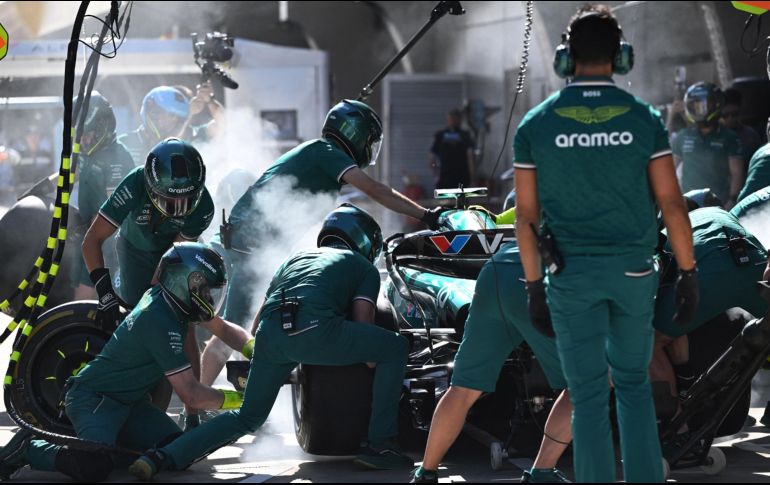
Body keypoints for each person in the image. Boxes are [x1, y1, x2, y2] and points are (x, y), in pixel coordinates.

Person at [514, 4, 697, 482]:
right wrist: (690, 270)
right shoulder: (644, 119)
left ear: (564, 58)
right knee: (634, 384)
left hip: (570, 277)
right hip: (634, 272)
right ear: (621, 58)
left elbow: (527, 218)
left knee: (588, 393)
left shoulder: (535, 124)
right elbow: (673, 206)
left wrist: (534, 285)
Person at [129, 205, 413, 479]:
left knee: (248, 418)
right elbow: (365, 330)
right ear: (365, 243)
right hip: (316, 330)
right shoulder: (363, 267)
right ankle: (381, 443)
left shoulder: (296, 259)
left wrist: (264, 359)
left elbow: (257, 323)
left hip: (269, 335)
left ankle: (162, 456)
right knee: (395, 348)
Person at [198, 100, 444, 396]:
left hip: (256, 244)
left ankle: (245, 393)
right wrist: (429, 215)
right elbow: (376, 190)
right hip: (250, 243)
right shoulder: (326, 153)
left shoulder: (321, 155)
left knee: (252, 323)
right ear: (354, 135)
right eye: (369, 141)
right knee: (231, 327)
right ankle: (198, 401)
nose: (370, 150)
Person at [0, 243, 253, 482]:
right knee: (94, 467)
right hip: (96, 399)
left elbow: (224, 328)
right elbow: (192, 395)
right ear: (185, 282)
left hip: (131, 404)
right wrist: (243, 398)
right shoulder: (159, 320)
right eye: (207, 290)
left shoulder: (171, 301)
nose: (210, 299)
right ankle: (30, 448)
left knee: (176, 450)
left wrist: (254, 348)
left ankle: (99, 442)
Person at [411, 239, 571, 484]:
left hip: (496, 270)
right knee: (584, 386)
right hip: (536, 275)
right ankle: (543, 472)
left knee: (463, 388)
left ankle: (426, 472)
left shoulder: (549, 204)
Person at [81, 137, 214, 326]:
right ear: (150, 187)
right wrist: (105, 291)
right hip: (133, 249)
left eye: (187, 200)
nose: (178, 209)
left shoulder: (205, 207)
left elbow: (172, 257)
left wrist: (154, 294)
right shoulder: (135, 182)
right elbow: (92, 240)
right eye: (170, 200)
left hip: (171, 251)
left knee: (179, 319)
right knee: (135, 318)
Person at [650, 206, 768, 403]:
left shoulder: (665, 231)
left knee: (649, 343)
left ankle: (676, 425)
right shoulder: (719, 213)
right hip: (754, 264)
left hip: (710, 275)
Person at [70, 92, 136, 300]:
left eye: (87, 134)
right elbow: (72, 174)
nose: (83, 140)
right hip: (90, 236)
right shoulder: (86, 155)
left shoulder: (117, 157)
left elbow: (116, 209)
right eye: (80, 135)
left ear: (103, 126)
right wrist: (43, 187)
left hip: (109, 243)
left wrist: (89, 225)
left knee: (89, 300)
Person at [672, 82, 744, 208]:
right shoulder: (682, 136)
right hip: (689, 206)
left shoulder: (729, 137)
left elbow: (737, 173)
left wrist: (732, 200)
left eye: (704, 106)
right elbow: (669, 170)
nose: (699, 111)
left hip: (719, 206)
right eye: (695, 106)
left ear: (716, 104)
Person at [118, 87, 191, 166]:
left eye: (177, 117)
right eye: (170, 114)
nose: (173, 121)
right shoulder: (122, 144)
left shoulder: (182, 144)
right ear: (152, 113)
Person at [428, 109, 476, 190]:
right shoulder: (441, 135)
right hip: (446, 177)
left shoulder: (465, 135)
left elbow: (470, 156)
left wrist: (472, 176)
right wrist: (436, 173)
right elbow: (431, 158)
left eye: (455, 118)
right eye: (451, 118)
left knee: (460, 200)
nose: (453, 121)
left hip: (461, 177)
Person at [722, 88, 761, 170]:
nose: (730, 119)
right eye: (725, 115)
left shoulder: (751, 136)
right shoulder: (713, 136)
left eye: (734, 114)